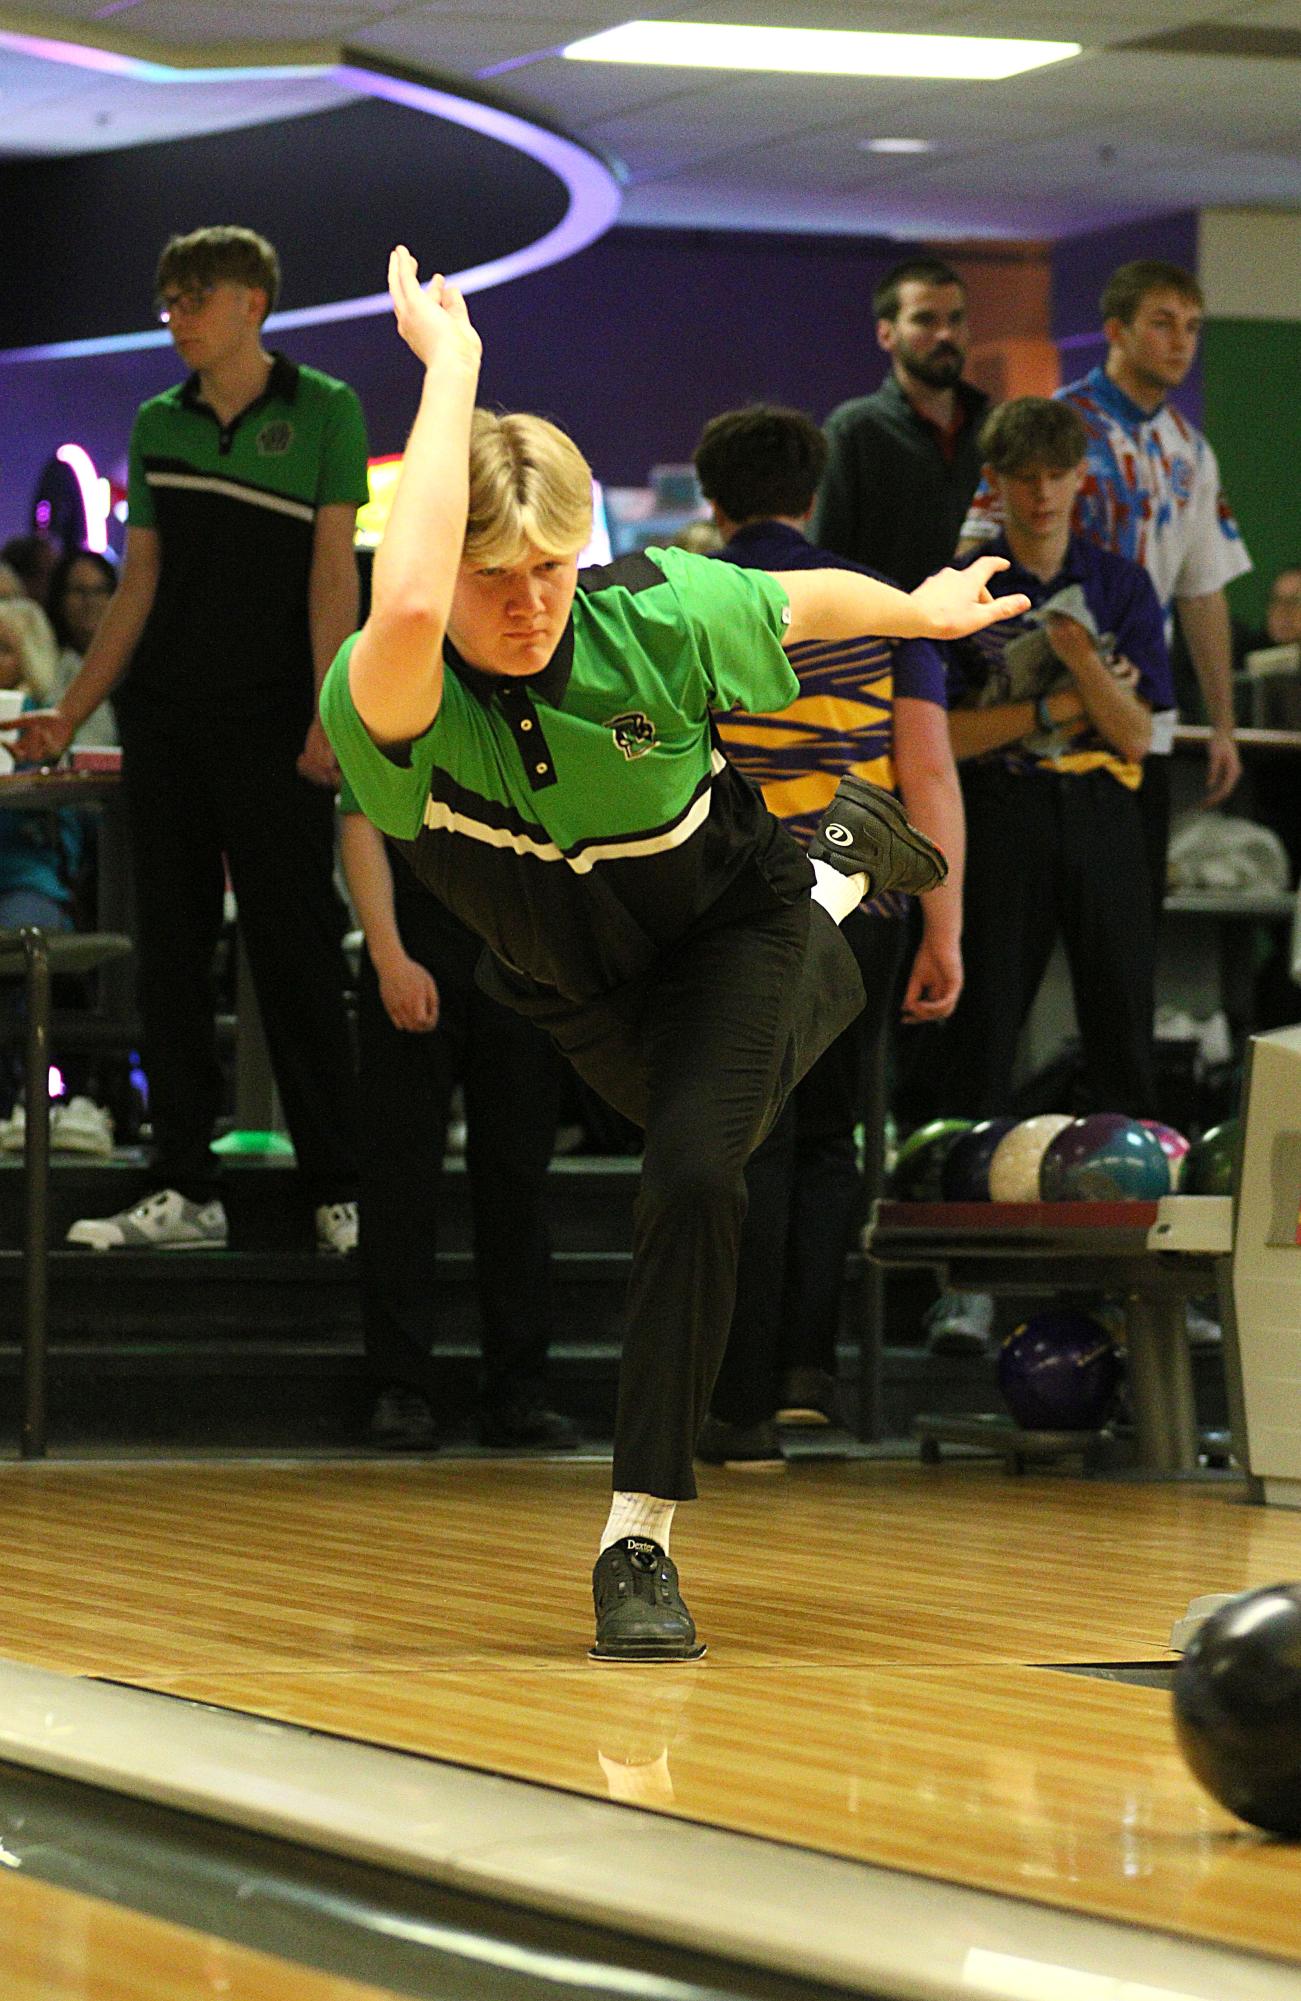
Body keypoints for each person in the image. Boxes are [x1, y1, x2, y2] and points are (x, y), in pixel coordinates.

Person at [321, 248, 1030, 1662]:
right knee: (686, 1116)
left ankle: (636, 1539)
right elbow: (399, 610)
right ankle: (847, 862)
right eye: (490, 575)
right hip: (570, 986)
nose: (526, 605)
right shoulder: (390, 692)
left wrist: (924, 612)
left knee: (701, 1171)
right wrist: (448, 362)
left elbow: (803, 603)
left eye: (547, 571)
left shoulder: (656, 613)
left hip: (726, 922)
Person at [9, 226, 366, 1253]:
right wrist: (72, 712)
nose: (174, 315)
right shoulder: (158, 421)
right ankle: (182, 1183)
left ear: (252, 301)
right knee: (169, 954)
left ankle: (339, 1183)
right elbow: (141, 582)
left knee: (294, 945)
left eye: (193, 297)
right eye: (166, 298)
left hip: (275, 723)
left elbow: (331, 576)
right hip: (168, 719)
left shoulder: (325, 410)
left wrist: (328, 709)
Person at [689, 404, 964, 1465]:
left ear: (714, 499)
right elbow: (926, 771)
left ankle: (734, 1403)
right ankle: (809, 1377)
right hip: (862, 904)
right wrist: (941, 926)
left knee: (737, 1143)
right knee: (828, 1142)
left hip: (728, 912)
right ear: (810, 492)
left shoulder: (689, 601)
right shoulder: (884, 611)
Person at [960, 260, 1251, 896]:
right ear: (1115, 331)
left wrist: (1223, 724)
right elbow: (976, 553)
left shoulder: (1191, 449)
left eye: (1192, 328)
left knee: (1126, 932)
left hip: (1137, 709)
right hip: (1030, 712)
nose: (1181, 342)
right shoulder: (1052, 425)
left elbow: (1203, 591)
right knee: (1010, 931)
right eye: (1163, 324)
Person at [938, 397, 1172, 1122]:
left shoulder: (1119, 583)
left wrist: (1080, 661)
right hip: (999, 806)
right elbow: (941, 738)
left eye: (1055, 476)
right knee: (986, 1006)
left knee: (1122, 1002)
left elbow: (1135, 734)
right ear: (994, 482)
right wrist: (1063, 706)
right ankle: (962, 1168)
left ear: (1079, 479)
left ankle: (1131, 1171)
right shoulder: (959, 588)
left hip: (1102, 802)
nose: (1040, 494)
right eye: (1024, 477)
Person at [339, 804, 578, 1452]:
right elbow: (360, 819)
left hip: (523, 949)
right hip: (417, 935)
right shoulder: (404, 704)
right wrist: (388, 957)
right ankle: (399, 1386)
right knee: (399, 1172)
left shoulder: (553, 707)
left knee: (517, 1173)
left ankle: (518, 1390)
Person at [813, 256, 990, 590]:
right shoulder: (855, 430)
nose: (945, 334)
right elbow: (826, 553)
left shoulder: (994, 428)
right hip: (886, 631)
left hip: (984, 628)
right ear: (886, 334)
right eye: (925, 320)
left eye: (956, 319)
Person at [47, 548, 120, 748]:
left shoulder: (132, 671)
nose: (90, 602)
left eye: (99, 591)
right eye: (79, 591)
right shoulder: (45, 662)